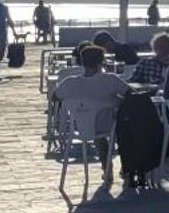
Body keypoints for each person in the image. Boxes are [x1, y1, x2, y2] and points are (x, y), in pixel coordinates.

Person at [53, 44, 130, 183]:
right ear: (101, 62)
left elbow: (54, 97)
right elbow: (131, 94)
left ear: (81, 62)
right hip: (109, 126)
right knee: (122, 123)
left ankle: (107, 169)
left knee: (96, 126)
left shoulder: (70, 82)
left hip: (81, 125)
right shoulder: (110, 80)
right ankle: (126, 168)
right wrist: (115, 100)